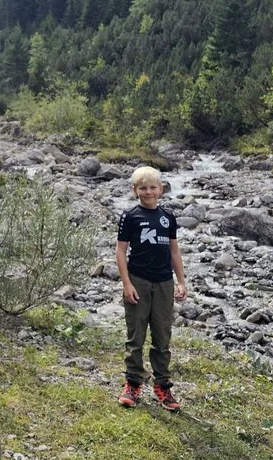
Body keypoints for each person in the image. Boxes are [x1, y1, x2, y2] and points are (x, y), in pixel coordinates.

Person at [115, 165, 187, 411]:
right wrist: (127, 283)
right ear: (134, 190)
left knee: (162, 337)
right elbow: (120, 251)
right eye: (143, 188)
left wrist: (181, 281)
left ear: (161, 190)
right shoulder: (130, 216)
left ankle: (162, 386)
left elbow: (174, 251)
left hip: (164, 282)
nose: (148, 192)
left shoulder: (168, 217)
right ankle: (133, 383)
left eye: (152, 187)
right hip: (138, 281)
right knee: (136, 335)